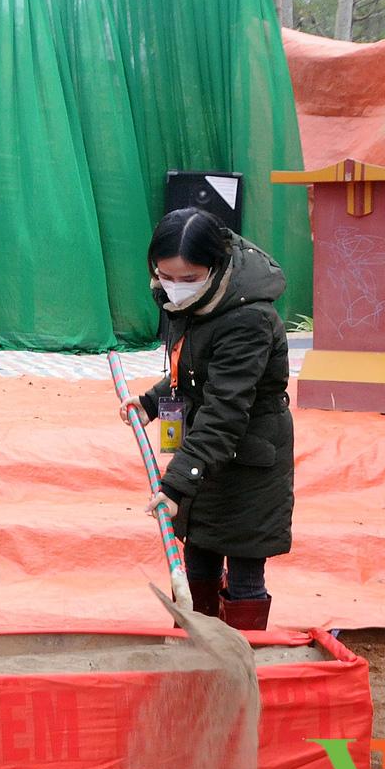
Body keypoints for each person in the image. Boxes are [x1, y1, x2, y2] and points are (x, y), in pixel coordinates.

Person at [126, 207, 294, 631]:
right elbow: (195, 370)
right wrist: (151, 402)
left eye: (188, 278)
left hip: (247, 461)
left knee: (243, 567)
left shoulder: (248, 319)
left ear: (216, 267)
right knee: (198, 554)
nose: (175, 289)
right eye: (166, 276)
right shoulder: (196, 303)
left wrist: (177, 482)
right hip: (206, 456)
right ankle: (200, 645)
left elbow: (225, 409)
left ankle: (242, 656)